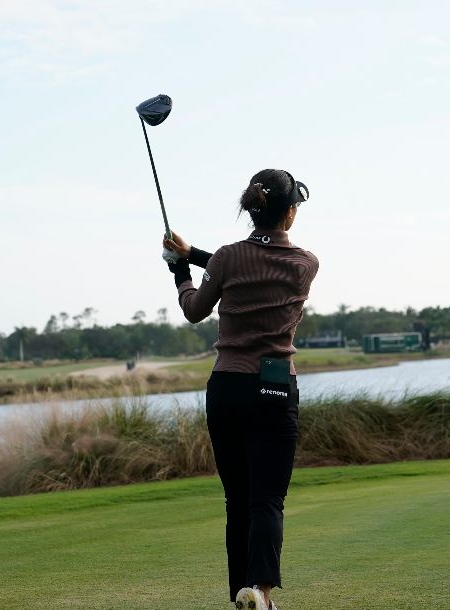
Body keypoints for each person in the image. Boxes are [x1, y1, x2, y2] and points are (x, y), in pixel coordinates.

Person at [163, 169, 318, 610]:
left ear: (251, 207)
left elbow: (196, 307)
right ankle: (262, 593)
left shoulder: (228, 258)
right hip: (274, 388)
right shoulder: (305, 263)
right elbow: (257, 263)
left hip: (227, 387)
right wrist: (193, 255)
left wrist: (180, 269)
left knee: (237, 500)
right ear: (289, 212)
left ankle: (241, 595)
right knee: (267, 500)